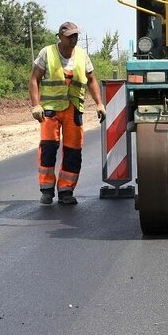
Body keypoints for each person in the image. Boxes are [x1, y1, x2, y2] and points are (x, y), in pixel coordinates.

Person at [28, 21, 105, 206]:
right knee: (48, 149)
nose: (74, 39)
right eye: (70, 36)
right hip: (50, 110)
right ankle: (46, 190)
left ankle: (66, 191)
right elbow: (34, 79)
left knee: (73, 151)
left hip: (73, 109)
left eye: (76, 35)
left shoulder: (82, 55)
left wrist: (99, 103)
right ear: (60, 37)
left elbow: (92, 79)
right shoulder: (47, 52)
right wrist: (36, 105)